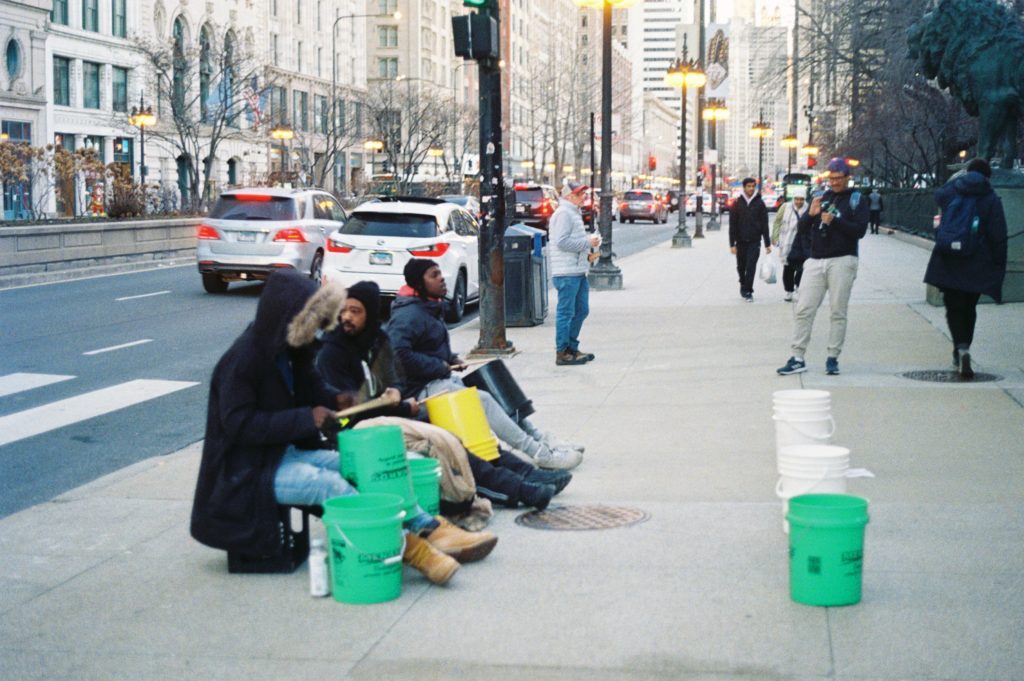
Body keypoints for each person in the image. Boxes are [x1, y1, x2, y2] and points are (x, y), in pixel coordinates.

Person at [190, 270, 496, 587]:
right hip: (248, 471)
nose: (319, 329)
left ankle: (429, 527)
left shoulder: (292, 350)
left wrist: (336, 399)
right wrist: (307, 418)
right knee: (332, 488)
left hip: (286, 454)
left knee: (367, 468)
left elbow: (313, 390)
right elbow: (239, 425)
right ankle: (416, 552)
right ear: (290, 316)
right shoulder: (242, 360)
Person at [316, 280, 569, 512]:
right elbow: (352, 410)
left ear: (369, 314)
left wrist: (395, 391)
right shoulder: (333, 353)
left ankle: (527, 473)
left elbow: (396, 379)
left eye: (355, 311)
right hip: (360, 433)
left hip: (391, 417)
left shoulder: (376, 340)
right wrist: (403, 407)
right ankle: (518, 490)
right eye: (344, 310)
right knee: (446, 444)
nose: (346, 317)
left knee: (463, 435)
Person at [388, 258, 585, 471]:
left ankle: (539, 438)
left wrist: (451, 359)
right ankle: (538, 453)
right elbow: (397, 355)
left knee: (493, 388)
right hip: (418, 391)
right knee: (482, 400)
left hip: (436, 379)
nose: (441, 279)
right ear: (419, 283)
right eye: (434, 275)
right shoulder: (408, 315)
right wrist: (439, 366)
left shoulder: (427, 307)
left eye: (440, 273)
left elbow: (428, 346)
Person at [777, 158, 870, 376]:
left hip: (843, 260)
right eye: (831, 179)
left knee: (838, 311)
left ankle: (832, 357)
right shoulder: (821, 197)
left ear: (848, 178)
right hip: (816, 260)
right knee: (803, 309)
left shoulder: (857, 200)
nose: (835, 183)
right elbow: (802, 229)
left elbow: (859, 231)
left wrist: (834, 220)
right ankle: (797, 356)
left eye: (839, 179)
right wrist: (811, 215)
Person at [924, 158, 1007, 379]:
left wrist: (957, 179)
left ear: (967, 172)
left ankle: (959, 348)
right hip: (977, 262)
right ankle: (964, 348)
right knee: (969, 307)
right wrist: (999, 263)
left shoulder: (953, 191)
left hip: (949, 259)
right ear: (987, 176)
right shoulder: (990, 199)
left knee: (953, 307)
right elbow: (998, 235)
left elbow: (939, 198)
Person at [549, 180, 602, 366]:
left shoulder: (573, 213)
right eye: (580, 194)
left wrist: (588, 252)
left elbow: (570, 241)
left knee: (581, 310)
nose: (584, 197)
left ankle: (571, 347)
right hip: (566, 272)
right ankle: (562, 351)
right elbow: (561, 242)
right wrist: (588, 242)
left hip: (576, 270)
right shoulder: (564, 214)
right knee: (566, 312)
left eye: (584, 194)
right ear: (569, 196)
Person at [729, 177, 772, 301]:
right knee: (741, 267)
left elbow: (765, 224)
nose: (751, 189)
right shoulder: (737, 203)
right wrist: (732, 243)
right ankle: (743, 283)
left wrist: (767, 243)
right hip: (740, 241)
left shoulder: (760, 203)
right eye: (749, 186)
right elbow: (733, 225)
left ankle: (748, 290)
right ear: (744, 187)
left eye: (753, 186)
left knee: (751, 266)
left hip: (754, 241)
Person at [771, 188, 809, 302]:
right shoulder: (785, 207)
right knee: (788, 268)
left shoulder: (809, 208)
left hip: (803, 244)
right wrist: (775, 236)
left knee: (803, 267)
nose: (799, 202)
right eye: (796, 199)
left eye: (801, 199)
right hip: (787, 241)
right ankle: (789, 290)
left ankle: (798, 286)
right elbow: (777, 221)